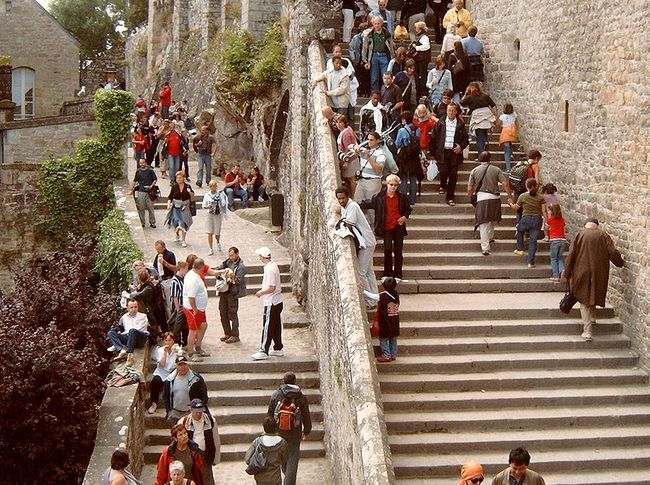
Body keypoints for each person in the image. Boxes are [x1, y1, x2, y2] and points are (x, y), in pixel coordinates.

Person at [563, 218, 625, 341]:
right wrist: (620, 262)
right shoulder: (603, 235)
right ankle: (591, 319)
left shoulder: (580, 235)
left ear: (586, 225)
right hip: (599, 271)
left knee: (583, 299)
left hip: (581, 271)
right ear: (596, 226)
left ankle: (587, 331)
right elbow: (612, 252)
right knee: (593, 294)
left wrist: (566, 273)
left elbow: (571, 255)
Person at [335, 186, 379, 308]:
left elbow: (348, 224)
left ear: (348, 196)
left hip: (366, 243)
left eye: (343, 198)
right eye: (339, 198)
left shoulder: (353, 206)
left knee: (361, 272)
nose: (341, 201)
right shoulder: (346, 207)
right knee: (369, 272)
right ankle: (375, 299)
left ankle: (370, 301)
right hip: (367, 241)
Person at [361, 174, 412, 279]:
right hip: (386, 227)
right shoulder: (380, 197)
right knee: (387, 250)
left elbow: (408, 209)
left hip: (398, 226)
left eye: (395, 185)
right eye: (391, 185)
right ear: (387, 184)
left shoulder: (402, 197)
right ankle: (387, 273)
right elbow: (370, 204)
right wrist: (356, 204)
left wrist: (404, 217)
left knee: (398, 251)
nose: (393, 187)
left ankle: (398, 274)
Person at [266, 373, 312, 485]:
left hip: (279, 431)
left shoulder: (276, 395)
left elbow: (269, 415)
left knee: (282, 456)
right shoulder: (300, 397)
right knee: (293, 458)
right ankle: (289, 480)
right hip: (294, 432)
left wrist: (269, 431)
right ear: (295, 381)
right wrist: (306, 431)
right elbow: (306, 415)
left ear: (283, 381)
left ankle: (288, 477)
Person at [467, 151, 512, 256]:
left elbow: (469, 188)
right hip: (495, 197)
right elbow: (505, 183)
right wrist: (509, 196)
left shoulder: (474, 171)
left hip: (482, 198)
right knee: (491, 218)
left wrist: (471, 197)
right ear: (490, 159)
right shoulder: (496, 170)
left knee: (483, 223)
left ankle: (485, 248)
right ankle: (490, 237)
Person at [429, 102, 468, 206]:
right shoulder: (440, 122)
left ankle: (450, 197)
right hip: (442, 152)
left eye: (452, 111)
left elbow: (466, 139)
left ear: (456, 112)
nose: (450, 113)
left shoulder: (460, 124)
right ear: (446, 111)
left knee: (453, 175)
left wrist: (460, 147)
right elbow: (433, 137)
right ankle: (442, 185)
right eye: (449, 111)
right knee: (443, 171)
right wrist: (432, 153)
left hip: (454, 153)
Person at [251, 247, 284, 361]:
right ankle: (278, 347)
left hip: (271, 301)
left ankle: (263, 350)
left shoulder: (269, 270)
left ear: (262, 257)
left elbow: (271, 288)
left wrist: (261, 292)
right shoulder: (272, 266)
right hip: (277, 301)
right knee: (275, 325)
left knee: (268, 326)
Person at [178, 399, 219, 485]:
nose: (198, 414)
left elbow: (216, 440)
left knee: (207, 479)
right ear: (191, 410)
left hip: (205, 456)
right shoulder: (183, 422)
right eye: (196, 412)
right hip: (190, 456)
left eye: (200, 412)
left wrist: (216, 459)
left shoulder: (211, 421)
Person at [508, 178, 546, 268]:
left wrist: (510, 203)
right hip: (537, 219)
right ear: (535, 186)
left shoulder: (523, 196)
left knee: (519, 230)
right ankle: (530, 262)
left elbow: (515, 208)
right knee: (533, 241)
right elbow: (544, 211)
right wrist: (546, 221)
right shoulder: (541, 197)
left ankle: (520, 249)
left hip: (526, 218)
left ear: (527, 186)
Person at [214, 246, 247, 344]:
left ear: (237, 254)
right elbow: (219, 268)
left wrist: (231, 277)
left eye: (232, 255)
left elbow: (239, 280)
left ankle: (235, 335)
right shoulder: (228, 261)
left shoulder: (241, 266)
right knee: (222, 312)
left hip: (233, 292)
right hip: (224, 291)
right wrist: (218, 272)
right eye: (230, 255)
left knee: (232, 313)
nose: (231, 257)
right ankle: (227, 333)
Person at [163, 355, 209, 423]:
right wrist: (169, 411)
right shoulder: (170, 380)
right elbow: (166, 397)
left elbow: (204, 396)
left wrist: (198, 410)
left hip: (191, 413)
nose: (183, 367)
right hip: (175, 413)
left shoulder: (196, 379)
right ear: (176, 366)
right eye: (180, 365)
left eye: (184, 364)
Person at [354, 131, 386, 226]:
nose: (369, 142)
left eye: (371, 140)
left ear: (377, 141)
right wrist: (356, 148)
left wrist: (369, 158)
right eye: (368, 139)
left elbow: (379, 170)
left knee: (372, 209)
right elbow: (351, 148)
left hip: (373, 182)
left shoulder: (380, 153)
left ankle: (372, 233)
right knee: (357, 205)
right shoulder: (365, 149)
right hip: (362, 181)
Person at [245, 418, 288, 485]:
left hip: (260, 478)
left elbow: (247, 459)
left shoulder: (258, 441)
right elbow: (285, 461)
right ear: (275, 427)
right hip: (275, 478)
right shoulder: (282, 442)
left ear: (264, 428)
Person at [107, 300, 149, 366]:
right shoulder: (124, 317)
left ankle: (129, 354)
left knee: (132, 331)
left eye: (136, 307)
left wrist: (123, 334)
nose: (134, 309)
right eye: (131, 307)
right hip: (128, 338)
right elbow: (121, 327)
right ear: (127, 308)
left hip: (140, 338)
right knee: (110, 333)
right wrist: (119, 332)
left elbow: (138, 329)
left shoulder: (143, 316)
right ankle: (121, 350)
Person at [368, 276, 401, 362]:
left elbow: (372, 296)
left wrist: (362, 291)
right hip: (395, 321)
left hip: (385, 322)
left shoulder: (382, 296)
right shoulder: (396, 294)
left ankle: (386, 355)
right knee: (393, 339)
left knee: (383, 339)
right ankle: (393, 354)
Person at [183, 258, 210, 361]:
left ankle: (198, 347)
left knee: (203, 326)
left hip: (199, 308)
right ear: (202, 267)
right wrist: (194, 309)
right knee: (193, 331)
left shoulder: (193, 274)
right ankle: (191, 353)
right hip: (193, 309)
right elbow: (191, 297)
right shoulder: (193, 279)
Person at [148, 332, 181, 414]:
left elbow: (179, 364)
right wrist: (165, 353)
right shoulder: (160, 350)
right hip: (160, 372)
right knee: (155, 381)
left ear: (173, 341)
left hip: (171, 373)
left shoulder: (177, 350)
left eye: (170, 340)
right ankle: (154, 404)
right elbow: (162, 365)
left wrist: (176, 353)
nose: (168, 342)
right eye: (166, 340)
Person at [461, 82, 496, 157]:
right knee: (483, 134)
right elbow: (493, 106)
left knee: (479, 138)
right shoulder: (485, 96)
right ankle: (485, 144)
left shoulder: (469, 97)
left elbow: (461, 102)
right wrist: (494, 117)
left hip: (477, 119)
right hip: (487, 117)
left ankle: (481, 156)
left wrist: (465, 93)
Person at [362, 15, 395, 92]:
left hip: (384, 56)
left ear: (381, 23)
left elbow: (391, 47)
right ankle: (375, 93)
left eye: (378, 23)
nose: (377, 25)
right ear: (373, 24)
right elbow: (365, 48)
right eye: (375, 23)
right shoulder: (369, 35)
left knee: (385, 76)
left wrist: (392, 57)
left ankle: (386, 93)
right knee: (374, 77)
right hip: (373, 56)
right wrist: (365, 60)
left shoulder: (387, 34)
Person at [394, 111, 420, 204]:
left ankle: (403, 199)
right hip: (414, 156)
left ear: (404, 119)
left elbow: (397, 144)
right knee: (413, 178)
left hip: (404, 156)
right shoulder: (417, 129)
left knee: (404, 177)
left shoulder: (402, 130)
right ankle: (413, 199)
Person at [166, 171, 195, 248]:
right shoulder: (174, 187)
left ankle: (183, 240)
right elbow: (170, 197)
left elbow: (192, 197)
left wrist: (190, 193)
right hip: (176, 207)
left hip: (185, 207)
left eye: (180, 178)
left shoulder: (188, 186)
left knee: (183, 223)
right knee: (176, 221)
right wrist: (169, 204)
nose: (178, 179)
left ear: (183, 178)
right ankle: (177, 234)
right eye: (177, 178)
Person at [201, 180, 228, 256]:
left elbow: (223, 204)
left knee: (217, 232)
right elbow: (203, 205)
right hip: (210, 214)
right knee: (209, 232)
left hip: (218, 214)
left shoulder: (220, 194)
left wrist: (220, 200)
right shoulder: (207, 195)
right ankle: (210, 248)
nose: (213, 187)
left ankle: (218, 242)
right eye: (212, 186)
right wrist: (208, 206)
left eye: (215, 186)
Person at [336, 115, 360, 198]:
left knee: (352, 179)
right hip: (351, 158)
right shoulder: (347, 129)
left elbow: (348, 148)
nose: (338, 124)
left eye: (340, 123)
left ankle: (354, 196)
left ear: (344, 123)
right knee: (349, 179)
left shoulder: (346, 134)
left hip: (350, 159)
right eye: (337, 122)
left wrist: (346, 161)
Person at [132, 157, 157, 228]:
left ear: (145, 163)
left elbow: (155, 180)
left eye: (143, 163)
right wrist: (131, 189)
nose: (141, 164)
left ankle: (152, 222)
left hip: (149, 192)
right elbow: (135, 181)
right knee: (141, 208)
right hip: (141, 191)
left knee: (150, 207)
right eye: (140, 163)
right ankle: (142, 222)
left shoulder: (150, 170)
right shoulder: (138, 171)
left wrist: (151, 186)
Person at [154, 240, 177, 318]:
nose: (158, 251)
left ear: (163, 248)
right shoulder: (158, 256)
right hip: (160, 280)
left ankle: (172, 319)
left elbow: (174, 268)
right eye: (156, 250)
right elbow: (155, 267)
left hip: (168, 279)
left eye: (159, 249)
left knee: (169, 302)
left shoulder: (170, 255)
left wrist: (164, 262)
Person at [410, 21, 430, 96]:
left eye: (416, 28)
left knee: (422, 75)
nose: (415, 29)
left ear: (420, 29)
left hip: (423, 59)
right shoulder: (422, 36)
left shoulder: (424, 37)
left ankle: (423, 91)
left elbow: (427, 46)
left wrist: (416, 47)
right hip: (420, 59)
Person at [547, 204, 567, 282]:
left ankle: (556, 276)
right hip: (562, 240)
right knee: (560, 257)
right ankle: (562, 271)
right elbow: (564, 226)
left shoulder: (551, 220)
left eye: (549, 210)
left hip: (554, 240)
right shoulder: (562, 219)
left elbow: (546, 226)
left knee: (554, 258)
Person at [498, 102, 518, 172]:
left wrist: (501, 127)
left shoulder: (502, 116)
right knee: (510, 144)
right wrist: (515, 130)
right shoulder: (514, 115)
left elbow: (499, 125)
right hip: (512, 131)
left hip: (505, 132)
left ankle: (508, 168)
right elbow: (517, 124)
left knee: (506, 151)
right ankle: (511, 154)